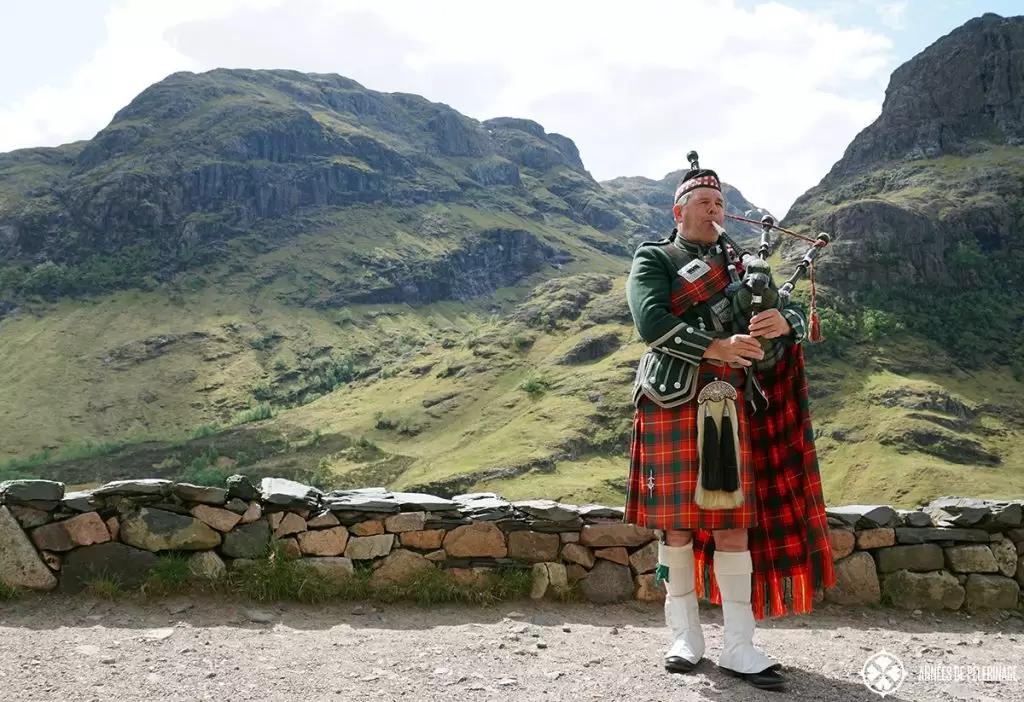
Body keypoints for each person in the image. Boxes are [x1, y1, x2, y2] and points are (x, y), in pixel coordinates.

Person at [623, 154, 835, 692]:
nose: (716, 210)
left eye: (721, 203)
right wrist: (716, 343)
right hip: (673, 399)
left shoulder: (744, 266)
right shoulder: (657, 258)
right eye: (705, 202)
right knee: (676, 523)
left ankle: (740, 645)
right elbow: (652, 321)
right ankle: (685, 638)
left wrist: (780, 323)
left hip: (727, 404)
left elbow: (779, 318)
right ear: (680, 210)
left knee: (731, 522)